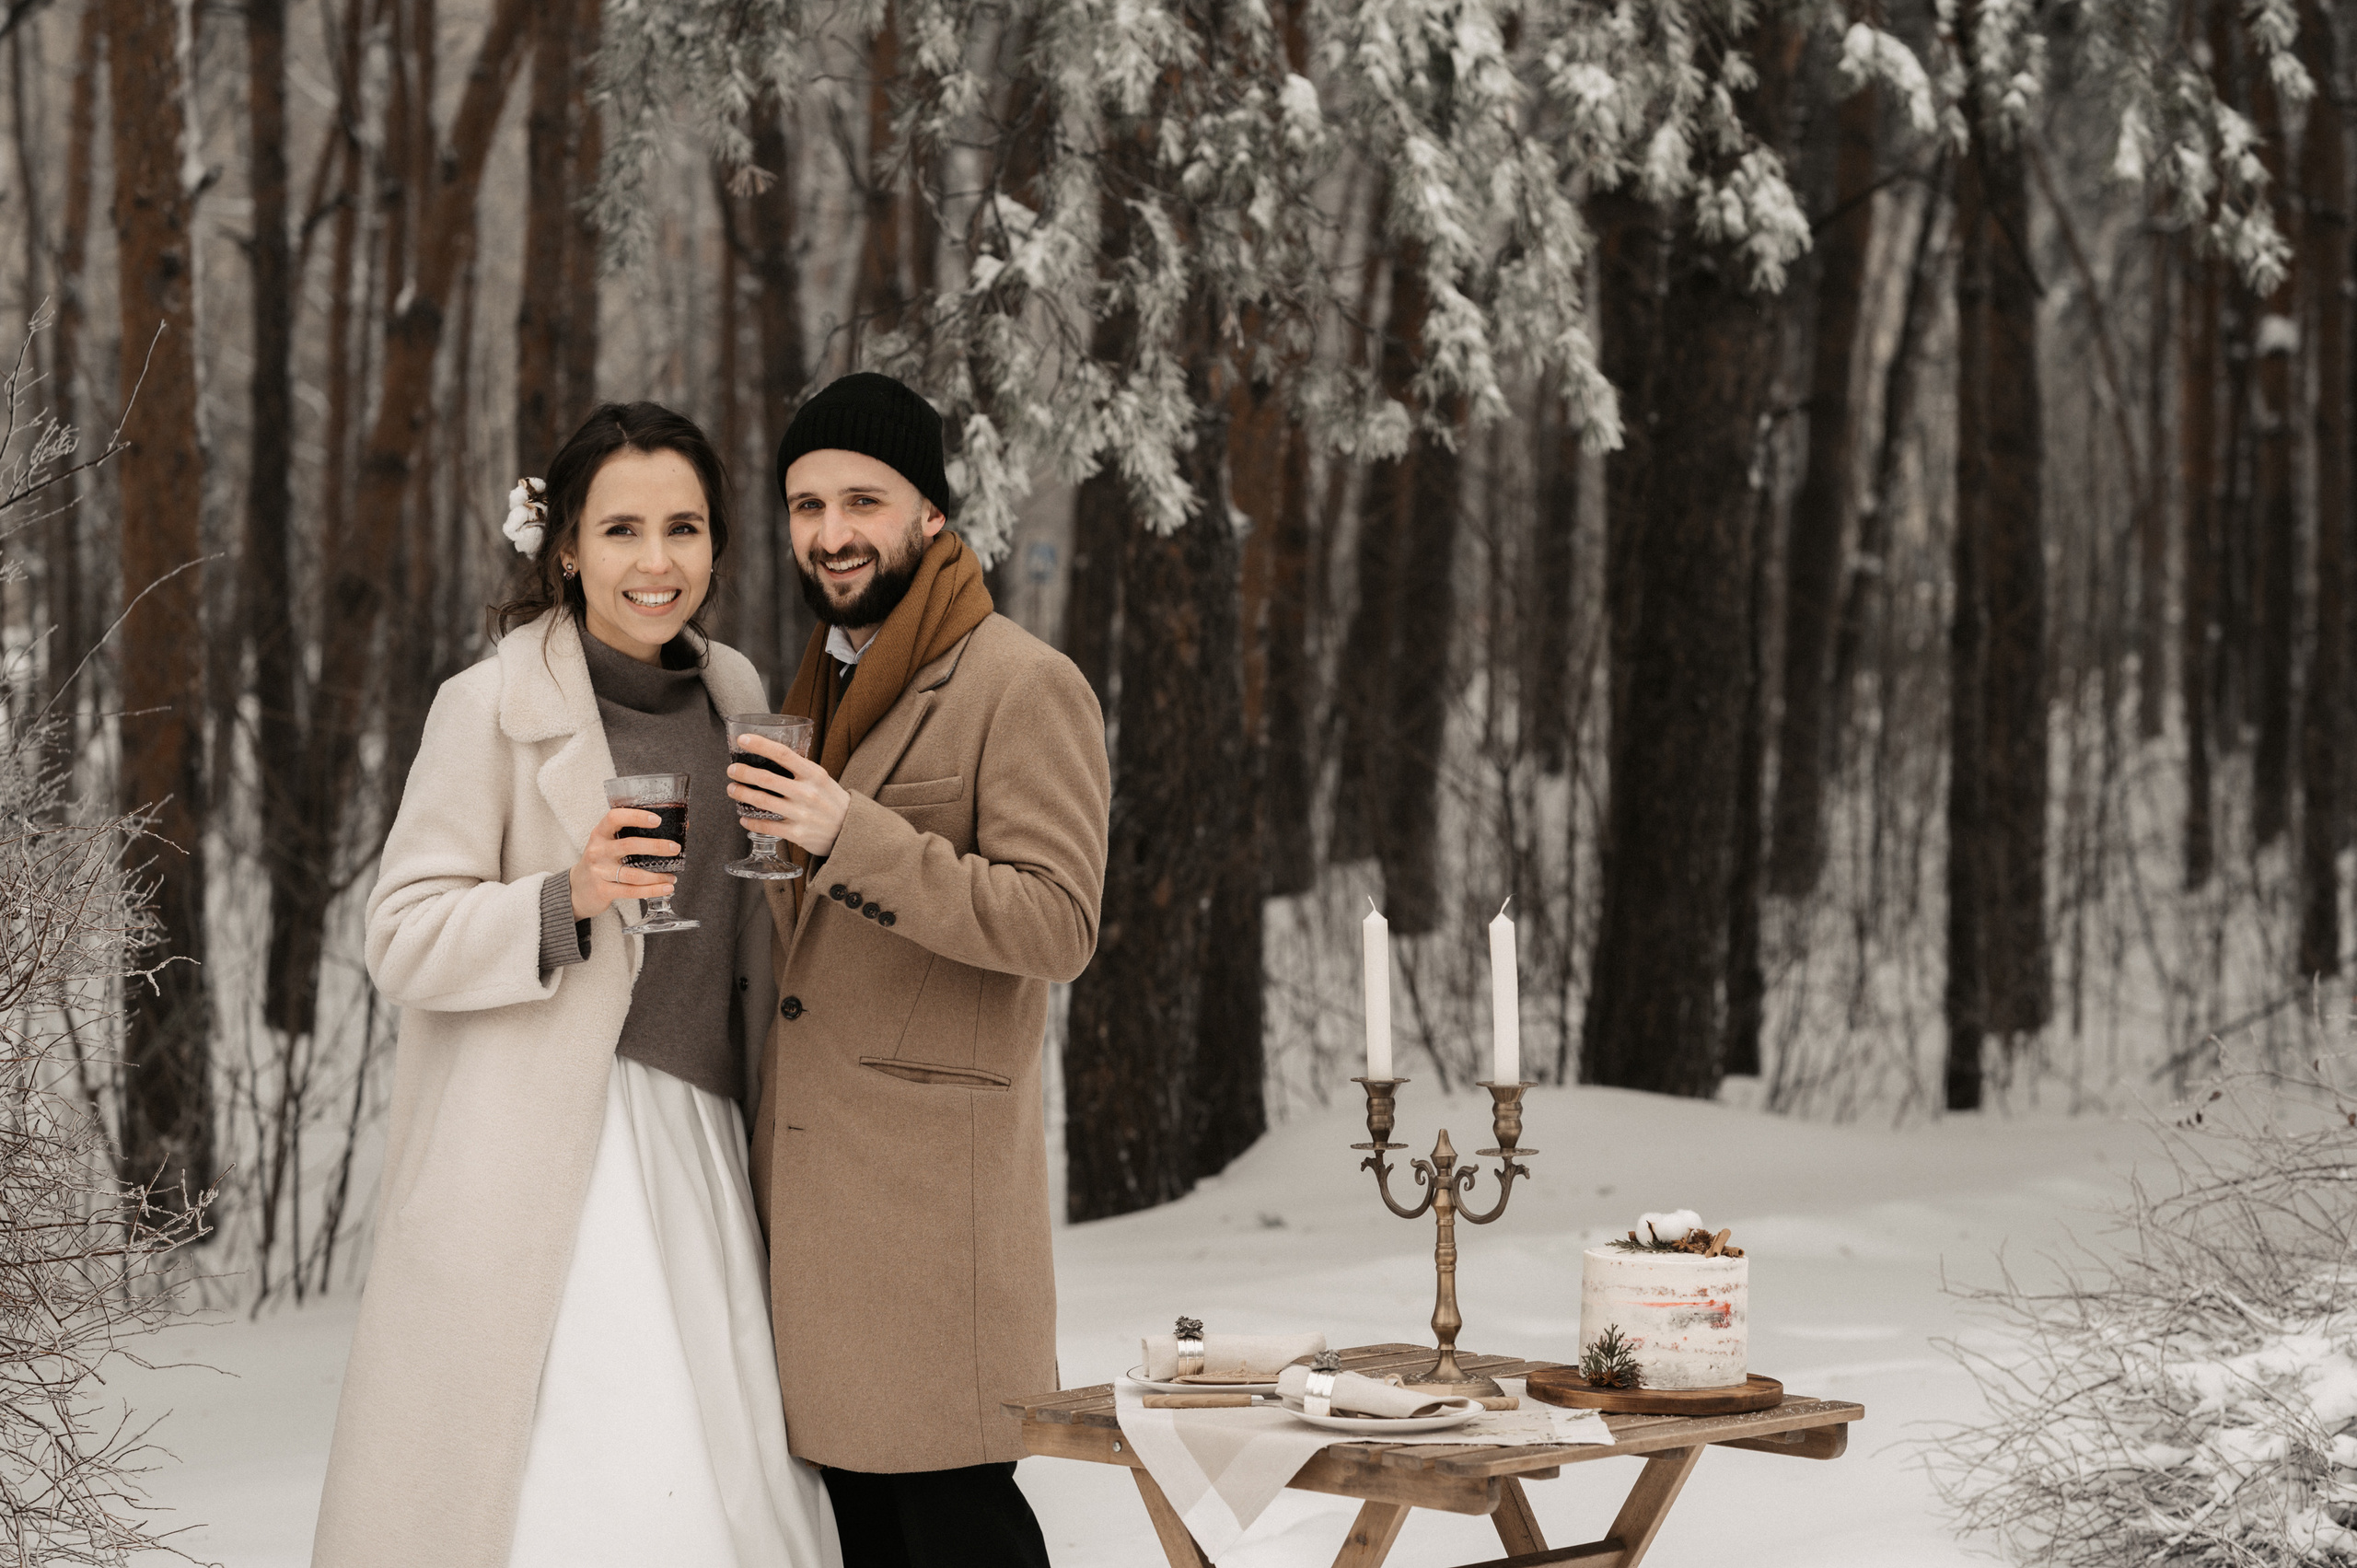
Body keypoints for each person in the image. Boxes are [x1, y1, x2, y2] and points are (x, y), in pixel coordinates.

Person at [311, 402, 839, 1568]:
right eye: (622, 530)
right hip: (552, 1150)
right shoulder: (489, 704)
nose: (658, 563)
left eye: (685, 528)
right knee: (587, 1471)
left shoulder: (735, 686)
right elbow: (398, 934)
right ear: (566, 548)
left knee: (726, 1471)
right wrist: (567, 894)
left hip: (701, 1131)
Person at [724, 372, 1110, 1567]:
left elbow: (1058, 923)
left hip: (937, 1242)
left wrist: (854, 833)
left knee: (963, 1537)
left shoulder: (1020, 682)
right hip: (816, 1232)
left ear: (930, 513)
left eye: (862, 498)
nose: (831, 532)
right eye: (804, 504)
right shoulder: (814, 687)